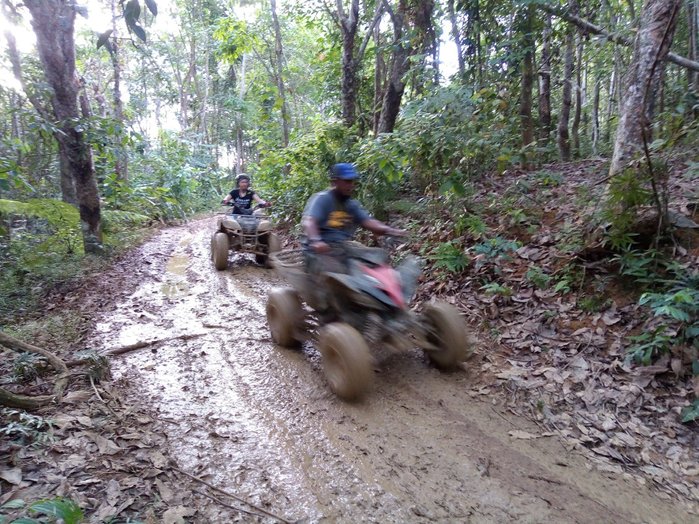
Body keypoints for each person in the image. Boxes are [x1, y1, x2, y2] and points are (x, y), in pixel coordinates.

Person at [302, 162, 406, 269]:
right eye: (346, 181)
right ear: (335, 182)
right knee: (335, 270)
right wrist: (316, 241)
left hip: (342, 247)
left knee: (379, 255)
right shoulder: (322, 199)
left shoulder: (351, 205)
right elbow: (310, 221)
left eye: (352, 182)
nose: (351, 186)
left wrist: (391, 231)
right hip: (320, 250)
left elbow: (368, 222)